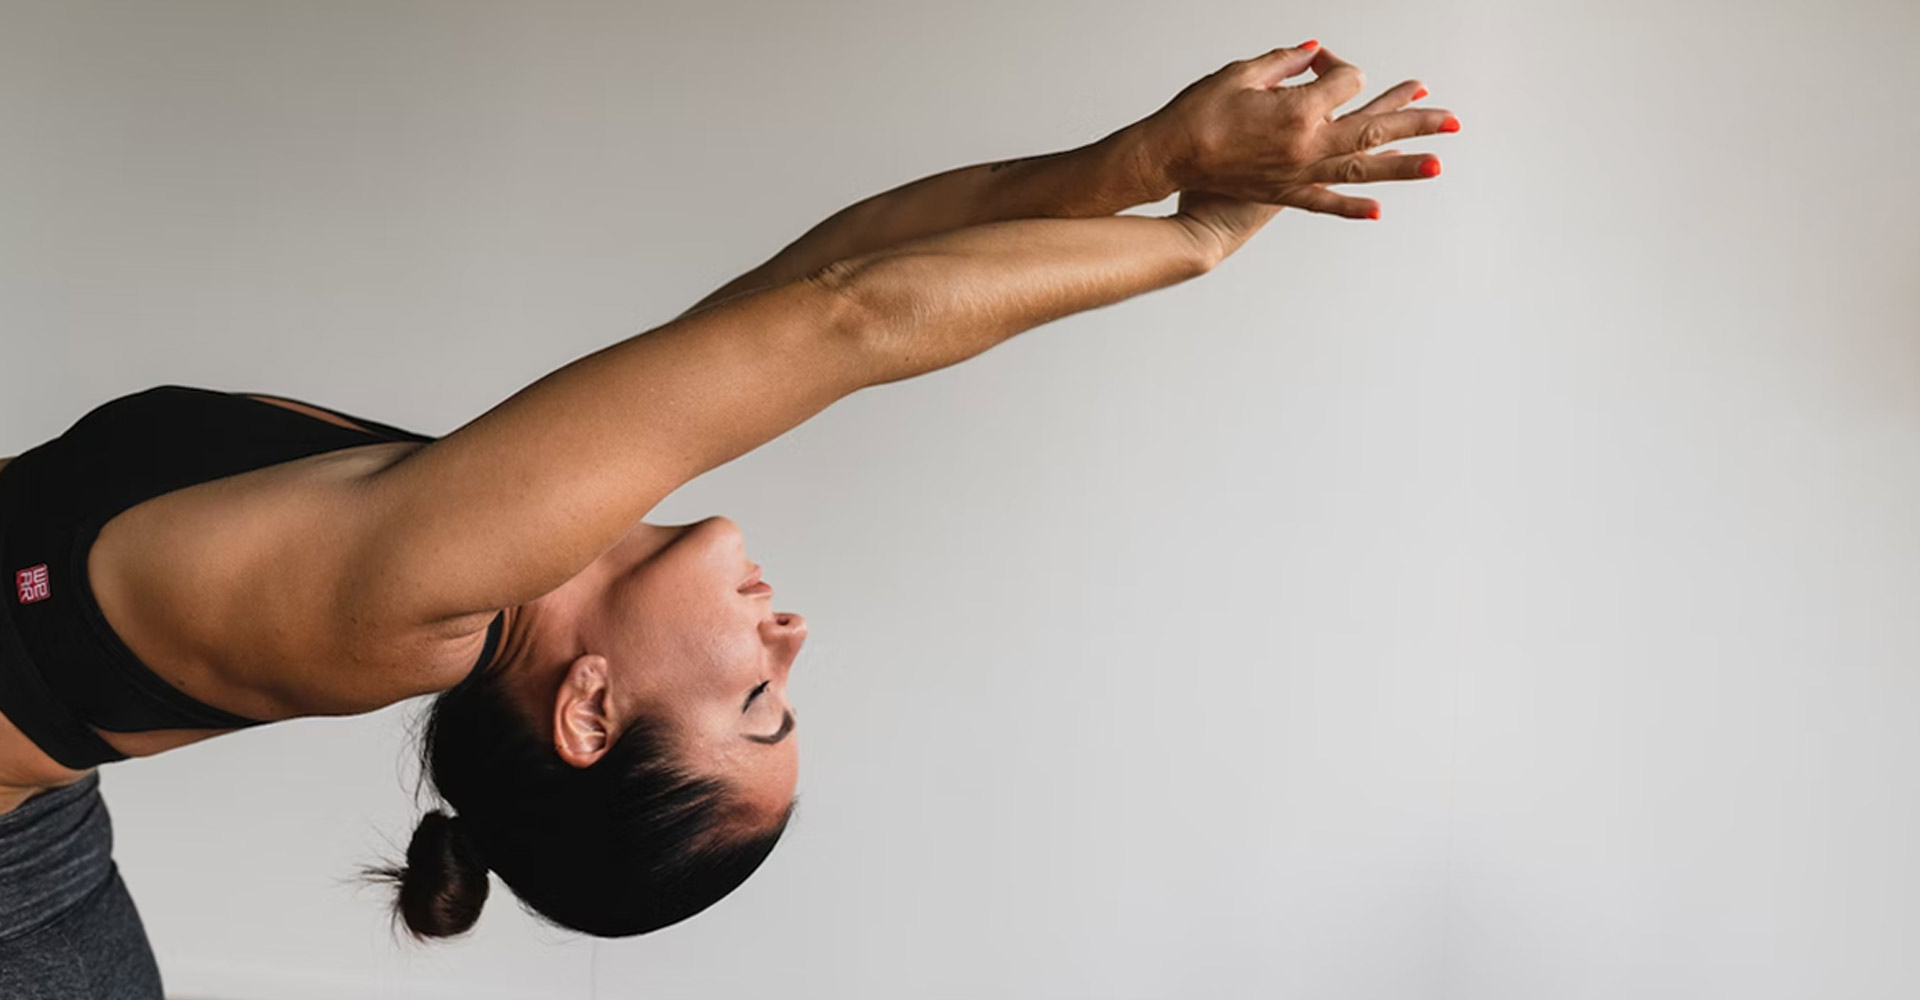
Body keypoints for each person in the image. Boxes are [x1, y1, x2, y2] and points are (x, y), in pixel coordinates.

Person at [0, 41, 1457, 995]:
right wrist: (1141, 163)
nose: (792, 636)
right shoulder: (510, 542)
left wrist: (1197, 242)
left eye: (757, 702)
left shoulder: (423, 597)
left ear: (588, 711)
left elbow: (853, 320)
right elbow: (831, 273)